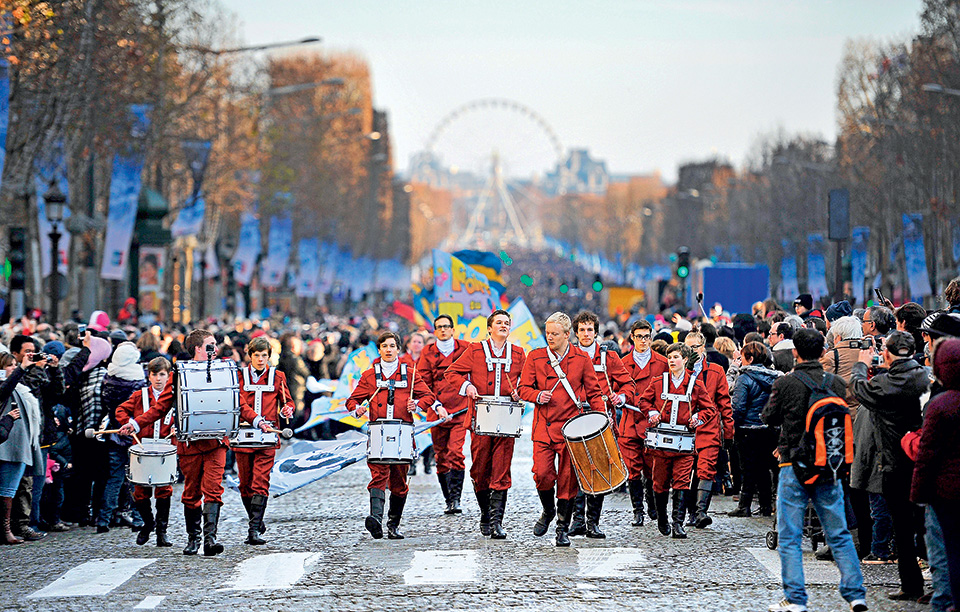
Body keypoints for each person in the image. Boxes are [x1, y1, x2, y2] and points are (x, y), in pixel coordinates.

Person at [761, 328, 867, 612]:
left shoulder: (786, 383)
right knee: (839, 533)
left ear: (795, 352)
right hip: (828, 464)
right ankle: (856, 594)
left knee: (790, 535)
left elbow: (768, 417)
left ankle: (796, 599)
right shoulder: (834, 382)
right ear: (823, 352)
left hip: (791, 464)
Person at [119, 329, 240, 556]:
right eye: (210, 345)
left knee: (214, 490)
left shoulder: (224, 370)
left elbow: (238, 400)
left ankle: (210, 539)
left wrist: (259, 421)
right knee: (191, 492)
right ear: (197, 349)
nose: (215, 348)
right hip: (189, 443)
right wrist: (136, 424)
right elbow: (161, 407)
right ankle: (193, 538)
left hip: (216, 441)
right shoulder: (180, 372)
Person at [849, 331, 929, 602]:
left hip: (895, 463)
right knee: (928, 526)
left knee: (904, 529)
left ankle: (911, 585)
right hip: (924, 459)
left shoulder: (887, 383)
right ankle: (941, 584)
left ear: (888, 353)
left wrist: (860, 363)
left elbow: (859, 389)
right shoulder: (924, 376)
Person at [518, 311, 605, 547]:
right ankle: (548, 511)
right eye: (547, 333)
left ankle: (562, 528)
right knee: (542, 474)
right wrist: (536, 395)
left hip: (570, 429)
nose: (550, 337)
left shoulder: (581, 359)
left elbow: (594, 392)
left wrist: (601, 420)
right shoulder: (535, 356)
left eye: (555, 334)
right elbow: (523, 388)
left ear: (568, 335)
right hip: (543, 428)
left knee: (568, 481)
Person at [346, 332, 443, 540]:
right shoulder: (369, 375)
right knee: (378, 476)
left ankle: (393, 523)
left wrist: (417, 404)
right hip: (378, 431)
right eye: (384, 346)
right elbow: (352, 400)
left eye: (392, 346)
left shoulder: (410, 373)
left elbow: (428, 396)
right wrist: (357, 409)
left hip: (403, 433)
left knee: (399, 482)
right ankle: (375, 519)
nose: (388, 350)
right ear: (379, 350)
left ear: (398, 349)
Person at [446, 309, 527, 539]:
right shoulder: (475, 350)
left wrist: (519, 392)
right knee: (480, 470)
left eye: (507, 323)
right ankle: (485, 513)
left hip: (507, 420)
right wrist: (467, 387)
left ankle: (497, 522)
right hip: (481, 417)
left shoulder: (520, 353)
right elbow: (451, 373)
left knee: (501, 469)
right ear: (490, 328)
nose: (503, 325)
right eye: (499, 322)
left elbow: (529, 381)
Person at [568, 311, 635, 539]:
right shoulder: (567, 355)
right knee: (576, 469)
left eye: (590, 330)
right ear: (575, 333)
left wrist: (621, 397)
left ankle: (592, 522)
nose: (586, 334)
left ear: (596, 332)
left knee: (599, 469)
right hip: (574, 417)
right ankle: (577, 520)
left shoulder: (609, 357)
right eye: (582, 330)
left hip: (601, 418)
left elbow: (628, 383)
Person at [638, 342, 715, 539]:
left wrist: (698, 418)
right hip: (661, 443)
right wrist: (653, 412)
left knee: (682, 482)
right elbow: (644, 401)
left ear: (685, 360)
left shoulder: (696, 384)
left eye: (676, 357)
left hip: (685, 442)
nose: (672, 360)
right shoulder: (658, 381)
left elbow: (709, 409)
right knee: (659, 483)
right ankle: (662, 517)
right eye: (669, 357)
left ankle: (678, 523)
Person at [911, 338, 960, 610]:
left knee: (944, 551)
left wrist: (918, 494)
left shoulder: (941, 405)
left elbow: (926, 455)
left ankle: (944, 601)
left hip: (944, 493)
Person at [235, 336, 294, 545]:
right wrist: (255, 420)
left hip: (268, 436)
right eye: (257, 355)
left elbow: (286, 400)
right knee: (245, 484)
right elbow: (239, 404)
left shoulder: (278, 376)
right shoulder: (239, 376)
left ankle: (253, 530)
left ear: (269, 356)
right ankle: (255, 519)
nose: (261, 359)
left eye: (264, 356)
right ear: (250, 356)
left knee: (261, 481)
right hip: (243, 435)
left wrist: (288, 409)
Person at [115, 357, 175, 547]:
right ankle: (148, 523)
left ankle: (162, 532)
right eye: (154, 374)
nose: (158, 379)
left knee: (164, 489)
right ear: (148, 376)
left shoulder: (176, 396)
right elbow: (121, 410)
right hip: (142, 446)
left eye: (162, 374)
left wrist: (178, 428)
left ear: (169, 375)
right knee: (140, 490)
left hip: (165, 447)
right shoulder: (140, 395)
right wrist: (128, 424)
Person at [416, 314, 470, 515]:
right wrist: (436, 405)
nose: (443, 330)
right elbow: (423, 382)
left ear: (453, 329)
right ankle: (448, 499)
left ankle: (456, 499)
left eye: (447, 326)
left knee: (456, 452)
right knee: (440, 457)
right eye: (439, 327)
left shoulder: (465, 348)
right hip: (437, 410)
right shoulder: (428, 352)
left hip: (460, 408)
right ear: (435, 331)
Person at [618, 319, 668, 527]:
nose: (643, 341)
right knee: (632, 468)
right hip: (630, 421)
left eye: (647, 336)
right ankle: (637, 510)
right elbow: (616, 386)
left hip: (652, 423)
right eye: (639, 336)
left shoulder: (662, 362)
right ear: (632, 338)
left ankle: (652, 505)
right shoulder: (622, 362)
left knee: (652, 468)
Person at [683, 331, 733, 528]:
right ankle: (690, 513)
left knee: (706, 470)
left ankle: (701, 511)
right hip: (686, 428)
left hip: (708, 428)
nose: (691, 351)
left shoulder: (716, 371)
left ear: (702, 347)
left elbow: (724, 403)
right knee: (685, 473)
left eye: (695, 347)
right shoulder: (679, 370)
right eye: (688, 348)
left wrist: (728, 432)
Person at [96, 341, 147, 534]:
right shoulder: (138, 379)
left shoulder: (108, 377)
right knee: (136, 477)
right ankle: (137, 517)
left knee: (114, 477)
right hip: (134, 432)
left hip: (115, 432)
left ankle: (104, 519)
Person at [729, 342, 780, 517]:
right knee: (764, 468)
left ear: (749, 359)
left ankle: (744, 506)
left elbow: (738, 407)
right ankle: (766, 506)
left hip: (748, 428)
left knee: (748, 468)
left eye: (742, 357)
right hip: (769, 429)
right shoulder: (775, 377)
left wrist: (733, 428)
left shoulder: (744, 378)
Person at [0, 352, 39, 544]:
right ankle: (5, 531)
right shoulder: (6, 387)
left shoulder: (21, 388)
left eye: (15, 364)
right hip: (4, 445)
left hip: (17, 447)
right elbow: (4, 389)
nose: (13, 368)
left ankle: (6, 529)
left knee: (9, 492)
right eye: (9, 365)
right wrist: (22, 368)